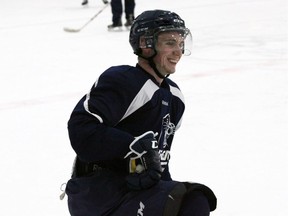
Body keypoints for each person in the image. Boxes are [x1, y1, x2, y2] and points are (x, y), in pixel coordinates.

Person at [65, 9, 217, 216]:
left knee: (188, 198)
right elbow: (81, 129)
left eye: (181, 43)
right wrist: (130, 146)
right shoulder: (124, 80)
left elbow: (160, 160)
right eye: (170, 43)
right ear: (146, 45)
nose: (178, 51)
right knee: (193, 201)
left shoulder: (175, 99)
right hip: (98, 194)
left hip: (134, 194)